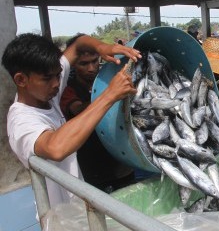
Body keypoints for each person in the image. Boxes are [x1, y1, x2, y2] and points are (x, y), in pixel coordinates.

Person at [2, 33, 141, 207]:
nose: (56, 84)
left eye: (58, 76)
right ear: (21, 80)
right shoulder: (21, 121)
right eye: (48, 78)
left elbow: (78, 45)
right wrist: (109, 96)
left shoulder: (45, 95)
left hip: (76, 205)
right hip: (61, 215)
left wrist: (102, 47)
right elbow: (56, 148)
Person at [60, 35, 135, 193]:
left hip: (122, 164)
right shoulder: (69, 90)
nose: (91, 68)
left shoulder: (108, 80)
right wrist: (109, 94)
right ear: (73, 65)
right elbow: (78, 109)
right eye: (84, 64)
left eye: (95, 61)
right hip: (92, 169)